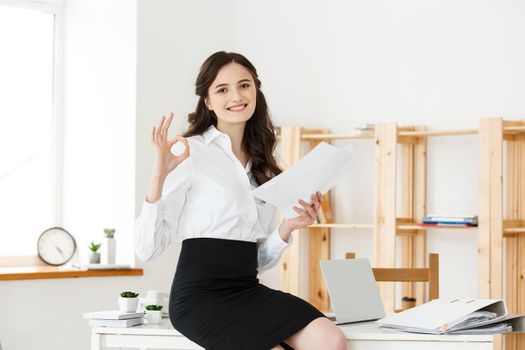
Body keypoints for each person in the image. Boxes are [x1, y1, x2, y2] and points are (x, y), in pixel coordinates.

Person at [134, 51, 346, 350]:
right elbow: (146, 248)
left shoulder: (265, 164)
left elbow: (257, 261)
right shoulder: (190, 152)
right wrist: (158, 175)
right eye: (222, 89)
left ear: (255, 90)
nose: (236, 95)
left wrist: (288, 227)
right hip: (199, 298)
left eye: (244, 85)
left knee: (330, 338)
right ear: (208, 101)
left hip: (247, 289)